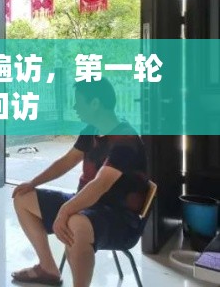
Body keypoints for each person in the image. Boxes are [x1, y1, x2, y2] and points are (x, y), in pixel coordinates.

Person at [11, 78, 148, 287]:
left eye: (78, 102)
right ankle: (48, 268)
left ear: (95, 103)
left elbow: (100, 184)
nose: (74, 107)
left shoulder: (125, 138)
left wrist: (66, 211)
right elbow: (66, 161)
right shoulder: (90, 130)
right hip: (87, 205)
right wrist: (33, 183)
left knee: (76, 223)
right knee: (22, 198)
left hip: (120, 218)